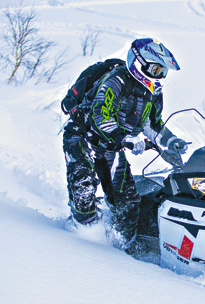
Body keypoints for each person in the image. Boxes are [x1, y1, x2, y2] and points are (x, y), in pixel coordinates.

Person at [62, 38, 186, 250]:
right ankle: (77, 241)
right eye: (156, 69)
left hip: (113, 146)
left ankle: (121, 249)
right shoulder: (116, 80)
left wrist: (171, 141)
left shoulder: (153, 92)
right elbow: (100, 114)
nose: (160, 75)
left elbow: (153, 125)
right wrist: (125, 138)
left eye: (162, 71)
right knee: (84, 185)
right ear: (139, 64)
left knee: (127, 201)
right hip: (84, 136)